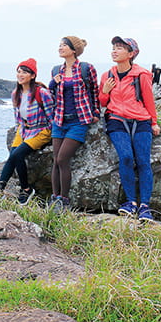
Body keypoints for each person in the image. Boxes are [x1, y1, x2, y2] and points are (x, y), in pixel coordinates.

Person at [99, 37, 161, 222]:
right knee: (126, 157)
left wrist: (154, 122)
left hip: (140, 120)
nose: (114, 51)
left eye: (119, 48)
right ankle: (131, 202)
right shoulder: (107, 76)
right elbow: (102, 102)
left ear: (131, 53)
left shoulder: (141, 75)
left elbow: (148, 100)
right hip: (116, 119)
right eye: (113, 48)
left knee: (143, 161)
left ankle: (145, 207)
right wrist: (105, 91)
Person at [48, 36, 99, 211]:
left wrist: (96, 112)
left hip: (78, 121)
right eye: (60, 44)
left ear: (74, 50)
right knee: (55, 160)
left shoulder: (86, 69)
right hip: (59, 120)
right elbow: (51, 93)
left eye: (64, 45)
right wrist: (51, 83)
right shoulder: (56, 70)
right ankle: (55, 199)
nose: (60, 47)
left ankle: (65, 200)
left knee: (63, 159)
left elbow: (94, 91)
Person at [0, 58, 54, 204]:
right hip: (24, 129)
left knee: (17, 153)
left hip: (41, 130)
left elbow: (51, 115)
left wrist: (55, 136)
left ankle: (26, 189)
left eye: (25, 72)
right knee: (13, 156)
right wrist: (19, 132)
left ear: (32, 75)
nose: (20, 75)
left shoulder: (42, 93)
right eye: (19, 72)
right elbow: (17, 117)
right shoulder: (16, 93)